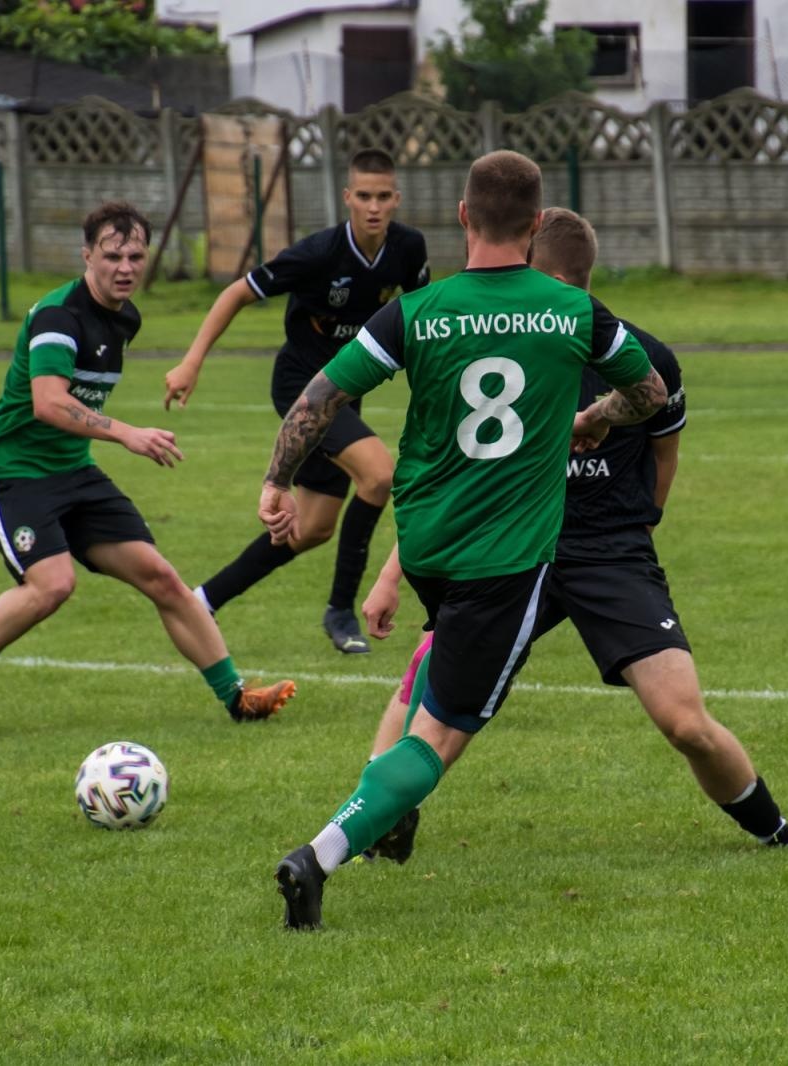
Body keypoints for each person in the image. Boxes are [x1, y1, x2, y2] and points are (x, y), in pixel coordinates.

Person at [260, 151, 668, 929]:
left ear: (461, 216)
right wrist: (594, 417)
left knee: (437, 688)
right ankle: (320, 854)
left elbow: (321, 397)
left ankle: (388, 809)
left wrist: (277, 479)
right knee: (443, 728)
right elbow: (650, 395)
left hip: (428, 547)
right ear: (539, 224)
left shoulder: (420, 311)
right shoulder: (572, 313)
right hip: (506, 561)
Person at [358, 208, 788, 865]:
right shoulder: (512, 344)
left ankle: (774, 828)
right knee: (427, 698)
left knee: (685, 722)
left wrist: (640, 527)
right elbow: (455, 475)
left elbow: (664, 452)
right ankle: (381, 819)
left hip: (608, 553)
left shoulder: (637, 356)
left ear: (548, 273)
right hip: (511, 548)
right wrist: (389, 578)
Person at [0, 201, 296, 738]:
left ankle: (237, 697)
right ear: (87, 255)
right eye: (112, 255)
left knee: (163, 578)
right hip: (13, 474)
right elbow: (49, 403)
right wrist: (126, 432)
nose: (125, 267)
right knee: (53, 584)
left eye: (136, 255)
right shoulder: (58, 318)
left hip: (73, 473)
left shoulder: (125, 318)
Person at [162, 149, 431, 655]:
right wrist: (192, 360)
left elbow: (421, 318)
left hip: (347, 395)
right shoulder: (318, 254)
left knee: (309, 531)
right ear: (348, 197)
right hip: (301, 388)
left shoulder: (408, 249)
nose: (373, 207)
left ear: (396, 199)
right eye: (364, 196)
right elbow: (236, 293)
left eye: (383, 196)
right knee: (378, 475)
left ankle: (203, 599)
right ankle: (342, 612)